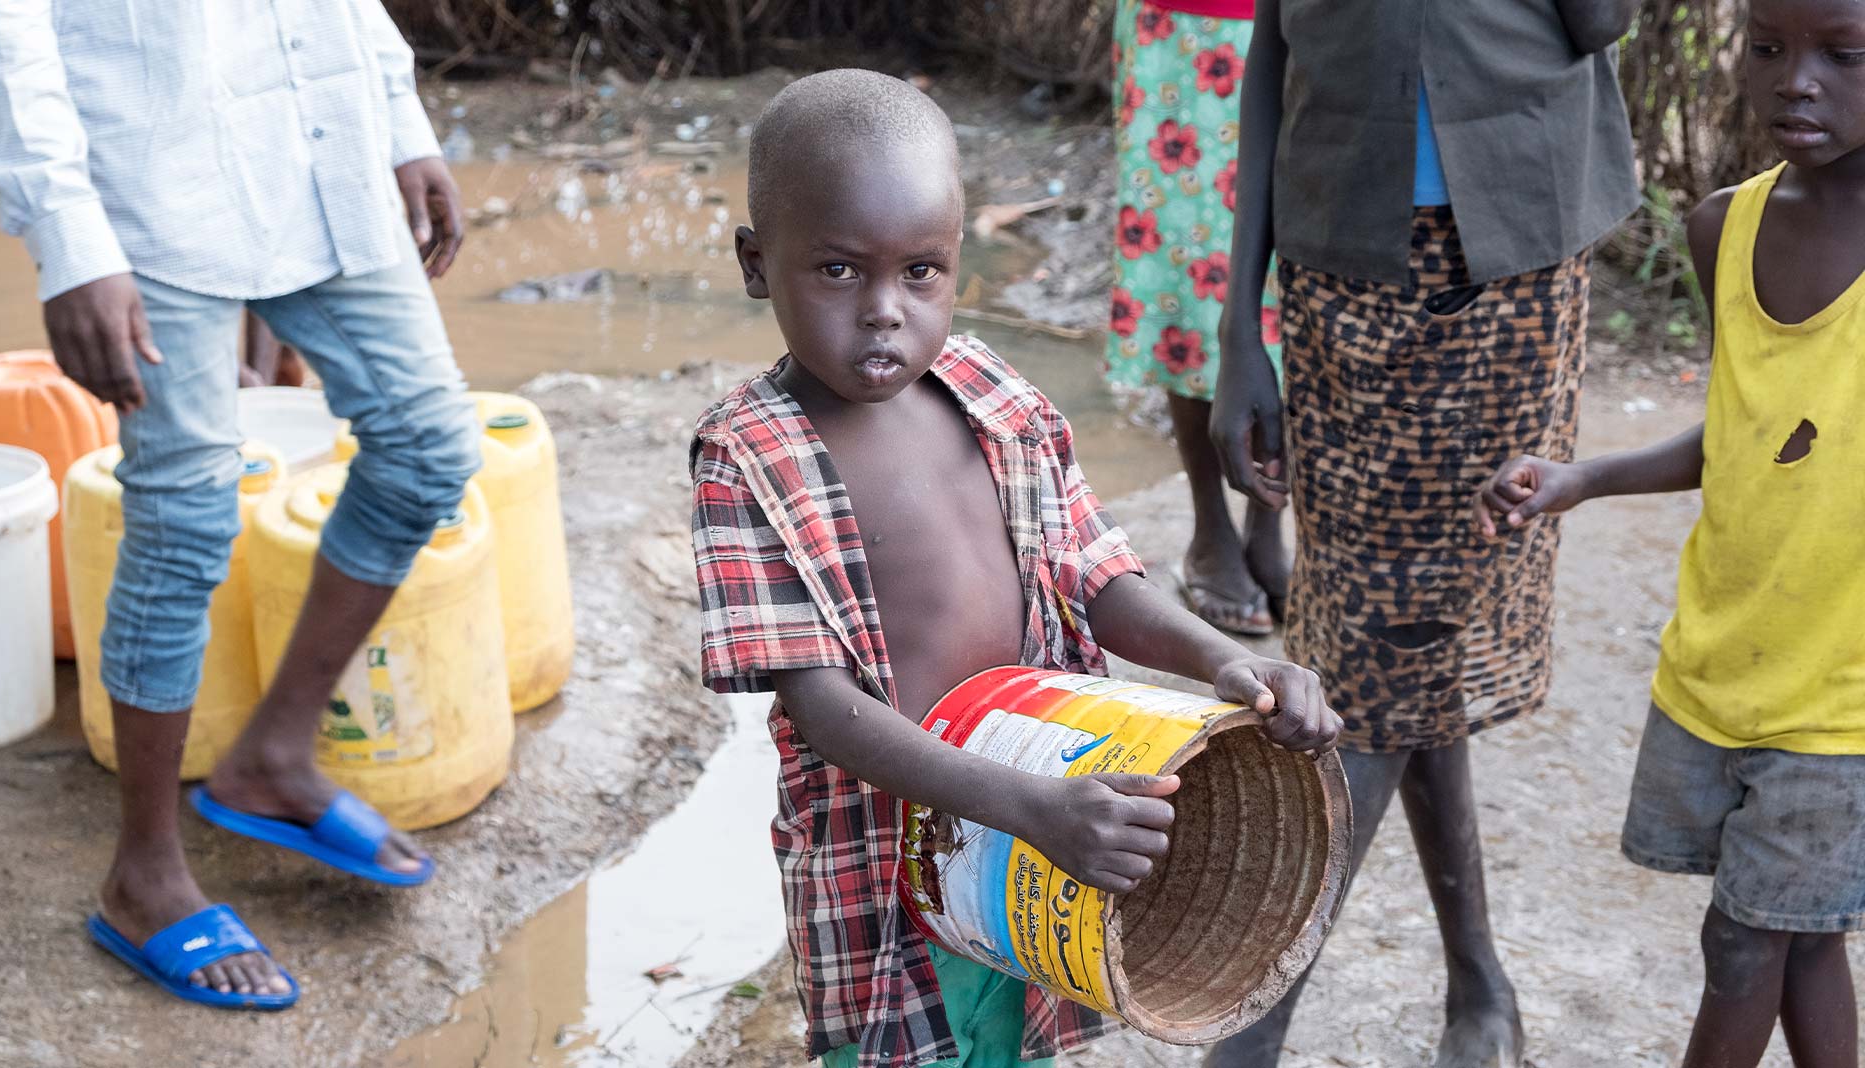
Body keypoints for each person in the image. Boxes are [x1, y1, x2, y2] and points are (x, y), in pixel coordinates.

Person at [691, 69, 1341, 1068]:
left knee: (1022, 1032)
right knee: (911, 1046)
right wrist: (1028, 809)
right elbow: (820, 705)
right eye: (837, 270)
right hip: (893, 857)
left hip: (1050, 814)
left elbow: (1095, 574)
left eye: (921, 272)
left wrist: (1225, 659)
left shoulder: (993, 392)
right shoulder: (747, 455)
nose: (883, 311)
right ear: (755, 263)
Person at [0, 0, 480, 1008]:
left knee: (428, 446)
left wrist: (399, 119)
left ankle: (272, 755)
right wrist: (70, 237)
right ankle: (144, 876)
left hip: (324, 152)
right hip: (148, 179)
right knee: (184, 517)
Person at [1206, 0, 1639, 1064]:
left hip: (1514, 274)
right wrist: (1238, 328)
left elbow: (1599, 20)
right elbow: (1273, 55)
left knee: (1406, 646)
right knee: (1380, 647)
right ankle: (1475, 978)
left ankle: (1262, 1019)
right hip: (1338, 276)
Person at [1474, 0, 1865, 1061]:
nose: (1796, 80)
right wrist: (1582, 479)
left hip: (1842, 707)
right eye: (1768, 48)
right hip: (1717, 666)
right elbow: (1753, 433)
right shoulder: (1724, 227)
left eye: (1843, 55)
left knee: (1742, 944)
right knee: (1801, 942)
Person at [1103, 0, 1288, 635]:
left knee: (1292, 265)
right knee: (1188, 272)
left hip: (1319, 19)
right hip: (1182, 27)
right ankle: (1211, 529)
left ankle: (1268, 524)